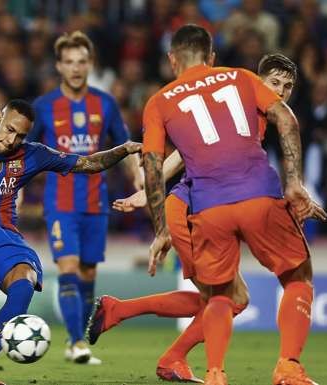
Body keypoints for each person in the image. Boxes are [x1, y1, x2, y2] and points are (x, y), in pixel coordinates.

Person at [88, 53, 301, 383]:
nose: (282, 92)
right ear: (258, 82)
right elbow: (182, 156)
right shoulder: (244, 109)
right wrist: (149, 194)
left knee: (222, 298)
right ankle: (166, 350)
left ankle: (125, 317)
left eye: (288, 86)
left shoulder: (247, 117)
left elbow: (189, 154)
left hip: (195, 206)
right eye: (274, 84)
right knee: (231, 298)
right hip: (192, 208)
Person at [136, 25, 324, 385]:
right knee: (298, 276)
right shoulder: (241, 78)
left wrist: (160, 229)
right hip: (259, 194)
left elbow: (154, 166)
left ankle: (215, 374)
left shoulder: (158, 101)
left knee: (220, 293)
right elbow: (285, 118)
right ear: (212, 57)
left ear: (172, 59)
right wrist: (295, 182)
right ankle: (288, 367)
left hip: (208, 208)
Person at [0, 99, 141, 385]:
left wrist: (123, 150)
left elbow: (88, 164)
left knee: (24, 284)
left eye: (20, 136)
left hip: (6, 235)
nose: (11, 140)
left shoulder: (33, 155)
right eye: (9, 130)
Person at [26, 30, 142, 365]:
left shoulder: (104, 103)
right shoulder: (44, 107)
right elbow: (26, 152)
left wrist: (137, 173)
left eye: (81, 61)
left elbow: (125, 144)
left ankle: (77, 334)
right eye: (69, 62)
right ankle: (77, 343)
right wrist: (16, 188)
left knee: (88, 273)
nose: (76, 68)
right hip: (60, 202)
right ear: (59, 66)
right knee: (69, 266)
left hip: (95, 201)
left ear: (90, 64)